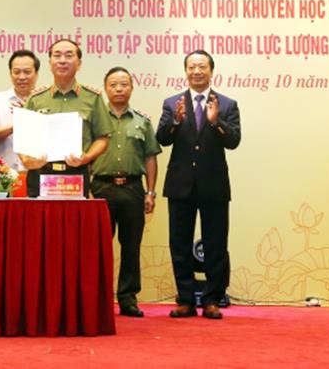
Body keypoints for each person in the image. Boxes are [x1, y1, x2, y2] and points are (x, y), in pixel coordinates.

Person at [156, 50, 241, 320]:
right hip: (180, 184)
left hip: (214, 185)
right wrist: (176, 120)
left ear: (211, 71)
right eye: (192, 67)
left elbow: (234, 141)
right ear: (185, 71)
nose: (196, 71)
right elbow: (162, 139)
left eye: (202, 67)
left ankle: (212, 300)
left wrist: (216, 122)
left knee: (216, 244)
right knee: (179, 244)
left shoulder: (227, 104)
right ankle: (185, 300)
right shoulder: (172, 103)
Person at [91, 67, 160, 318]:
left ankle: (128, 299)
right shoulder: (94, 120)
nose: (119, 89)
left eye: (124, 84)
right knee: (98, 248)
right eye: (113, 85)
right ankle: (98, 298)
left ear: (132, 88)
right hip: (101, 188)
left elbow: (150, 157)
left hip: (133, 189)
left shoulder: (142, 121)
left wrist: (150, 192)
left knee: (131, 247)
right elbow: (84, 156)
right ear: (105, 88)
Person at [21, 39, 112, 197]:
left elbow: (103, 138)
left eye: (69, 55)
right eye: (57, 55)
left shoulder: (93, 98)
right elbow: (23, 137)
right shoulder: (35, 98)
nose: (62, 60)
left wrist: (87, 157)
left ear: (79, 64)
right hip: (41, 173)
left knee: (75, 214)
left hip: (76, 174)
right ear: (50, 63)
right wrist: (27, 160)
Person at [0, 49, 40, 173]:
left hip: (38, 173)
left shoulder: (45, 100)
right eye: (16, 72)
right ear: (10, 74)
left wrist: (31, 117)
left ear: (36, 73)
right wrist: (16, 126)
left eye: (27, 72)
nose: (22, 77)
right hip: (5, 175)